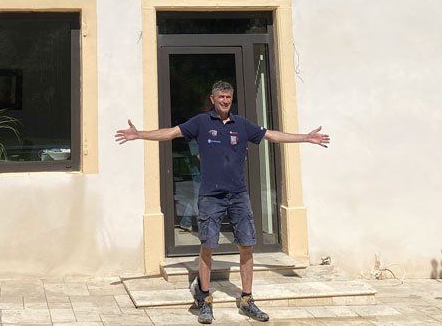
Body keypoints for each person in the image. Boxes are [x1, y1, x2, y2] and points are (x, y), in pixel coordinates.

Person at [116, 80, 329, 323]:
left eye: (228, 97)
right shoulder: (201, 122)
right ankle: (204, 299)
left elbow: (272, 135)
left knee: (247, 245)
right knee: (208, 246)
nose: (225, 101)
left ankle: (247, 299)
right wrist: (139, 134)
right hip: (211, 196)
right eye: (221, 97)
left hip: (239, 195)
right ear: (213, 99)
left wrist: (305, 138)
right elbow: (171, 132)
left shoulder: (242, 125)